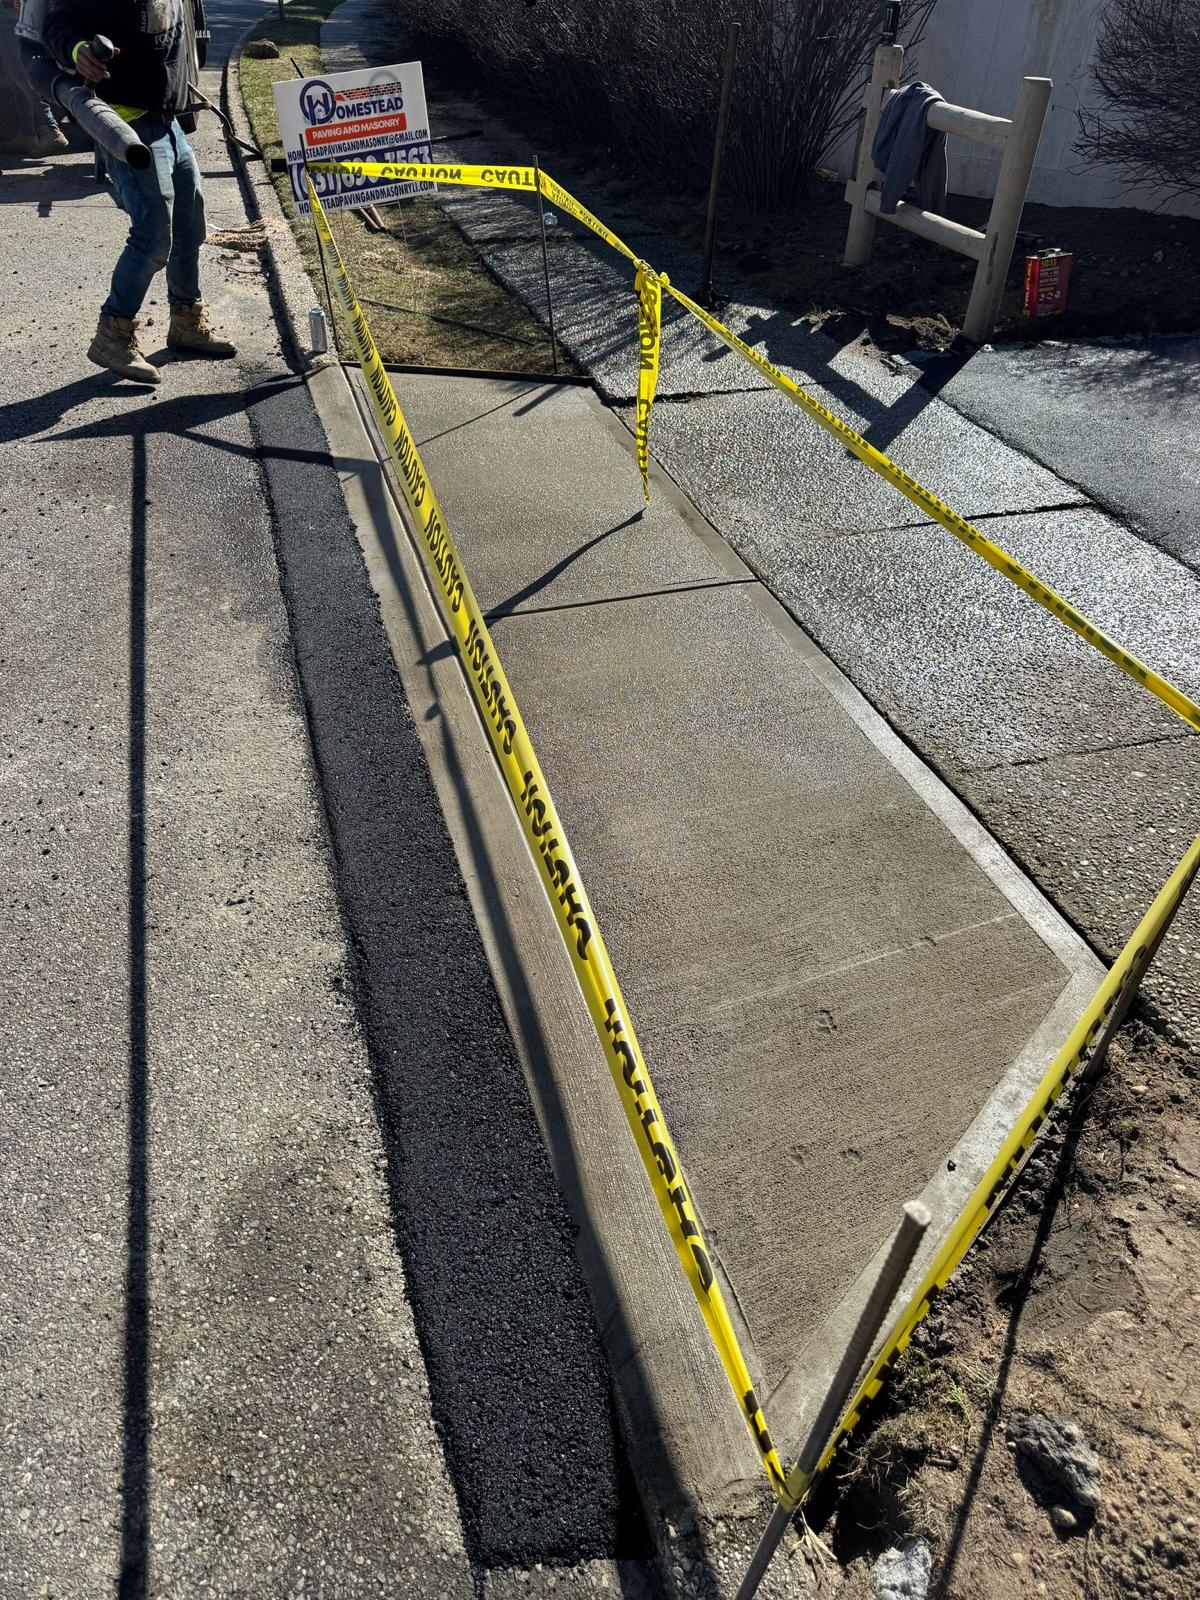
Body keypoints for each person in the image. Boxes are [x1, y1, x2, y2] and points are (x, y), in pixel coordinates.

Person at [42, 0, 235, 384]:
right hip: (126, 124)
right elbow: (56, 24)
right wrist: (78, 51)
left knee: (189, 226)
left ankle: (186, 322)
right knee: (152, 237)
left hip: (168, 120)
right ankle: (112, 335)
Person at [0, 0, 68, 156]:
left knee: (20, 74)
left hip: (11, 10)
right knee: (14, 75)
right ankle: (28, 133)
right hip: (9, 11)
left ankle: (50, 128)